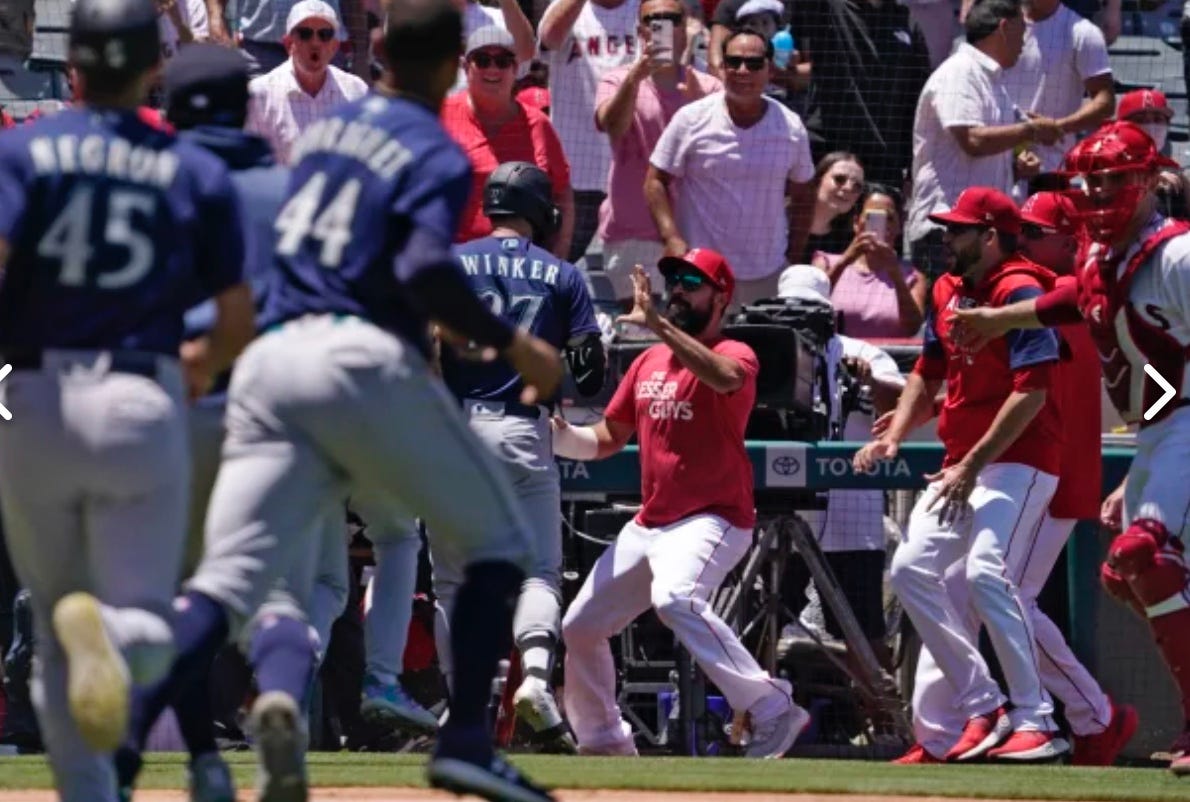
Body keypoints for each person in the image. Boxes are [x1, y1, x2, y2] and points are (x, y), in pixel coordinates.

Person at [126, 1, 567, 800]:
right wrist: (515, 343)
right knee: (502, 542)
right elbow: (430, 270)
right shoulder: (428, 145)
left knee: (238, 579)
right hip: (358, 361)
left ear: (381, 57)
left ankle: (127, 720)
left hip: (272, 363)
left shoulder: (325, 137)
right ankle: (464, 740)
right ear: (448, 70)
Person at [0, 0, 254, 797]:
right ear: (154, 69)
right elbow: (238, 317)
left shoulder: (24, 149)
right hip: (140, 390)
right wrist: (197, 365)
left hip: (33, 393)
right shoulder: (192, 165)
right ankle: (117, 637)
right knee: (146, 613)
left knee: (51, 625)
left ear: (71, 67)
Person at [950, 121, 1190, 776]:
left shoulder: (1177, 254)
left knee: (1145, 555)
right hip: (1163, 427)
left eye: (1115, 179)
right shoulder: (1097, 258)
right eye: (1093, 181)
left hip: (1185, 422)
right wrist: (998, 320)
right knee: (1124, 573)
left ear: (1148, 182)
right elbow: (1069, 303)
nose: (1102, 191)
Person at [890, 191, 1137, 766]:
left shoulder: (1094, 304)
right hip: (1010, 461)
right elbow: (958, 375)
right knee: (958, 590)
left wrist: (1143, 422)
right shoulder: (1026, 300)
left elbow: (1161, 385)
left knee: (997, 593)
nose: (1023, 239)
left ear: (1069, 241)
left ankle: (1087, 715)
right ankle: (958, 729)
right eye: (1018, 229)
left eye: (1035, 231)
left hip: (1061, 470)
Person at [106, 43, 289, 801]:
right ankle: (270, 694)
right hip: (267, 406)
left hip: (163, 400)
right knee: (267, 589)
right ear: (245, 105)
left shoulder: (143, 184)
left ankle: (196, 760)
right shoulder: (289, 187)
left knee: (173, 591)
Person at [554, 248, 809, 758]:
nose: (678, 290)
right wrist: (556, 435)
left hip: (713, 518)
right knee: (579, 627)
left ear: (721, 296)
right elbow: (607, 437)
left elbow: (724, 378)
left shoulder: (738, 352)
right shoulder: (648, 360)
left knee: (676, 600)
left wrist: (658, 326)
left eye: (692, 282)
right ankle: (604, 741)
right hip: (652, 524)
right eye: (674, 280)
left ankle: (772, 705)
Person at [857, 187, 1071, 762]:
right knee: (910, 568)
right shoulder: (949, 289)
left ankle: (1038, 719)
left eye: (958, 230)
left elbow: (1033, 394)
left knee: (985, 574)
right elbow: (928, 373)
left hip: (1019, 462)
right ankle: (983, 704)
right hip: (963, 464)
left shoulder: (1019, 291)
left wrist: (973, 463)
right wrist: (898, 433)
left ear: (990, 236)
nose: (946, 238)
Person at [428, 161, 605, 750]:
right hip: (524, 431)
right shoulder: (562, 275)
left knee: (454, 580)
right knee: (537, 572)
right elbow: (589, 370)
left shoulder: (452, 262)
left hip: (455, 435)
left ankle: (464, 708)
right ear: (540, 211)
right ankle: (533, 677)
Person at [645, 27, 815, 304]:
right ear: (722, 67)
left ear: (770, 69)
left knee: (757, 349)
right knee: (695, 348)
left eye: (754, 63)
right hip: (699, 273)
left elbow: (805, 194)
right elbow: (655, 180)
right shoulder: (691, 119)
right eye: (734, 62)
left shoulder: (791, 127)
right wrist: (671, 237)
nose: (743, 70)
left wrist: (792, 257)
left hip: (767, 274)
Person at [904, 0, 1061, 278]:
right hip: (945, 231)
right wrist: (1032, 130)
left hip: (977, 232)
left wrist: (1015, 167)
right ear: (1004, 27)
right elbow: (972, 141)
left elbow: (980, 152)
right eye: (1022, 31)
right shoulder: (960, 72)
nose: (1025, 43)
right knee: (945, 318)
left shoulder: (992, 82)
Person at [595, 0, 721, 307]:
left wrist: (700, 107)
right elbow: (612, 126)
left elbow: (719, 162)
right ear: (640, 32)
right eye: (653, 20)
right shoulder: (617, 79)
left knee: (691, 336)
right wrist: (635, 79)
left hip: (694, 234)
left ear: (684, 28)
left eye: (671, 19)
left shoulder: (709, 87)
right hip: (631, 234)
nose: (662, 26)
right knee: (639, 339)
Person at [441, 26, 575, 257]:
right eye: (482, 60)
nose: (493, 69)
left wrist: (558, 255)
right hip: (454, 261)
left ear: (515, 69)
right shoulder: (440, 116)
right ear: (465, 67)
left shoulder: (538, 124)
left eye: (502, 61)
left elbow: (562, 193)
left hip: (521, 264)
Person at [538, 0, 642, 264]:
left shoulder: (647, 8)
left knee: (630, 277)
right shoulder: (568, 8)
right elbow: (548, 39)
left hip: (632, 172)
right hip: (575, 174)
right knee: (559, 265)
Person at [244, 0, 369, 164]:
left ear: (334, 46)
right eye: (305, 34)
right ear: (289, 44)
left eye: (325, 35)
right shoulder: (261, 94)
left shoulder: (356, 90)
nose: (315, 43)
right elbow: (253, 160)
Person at [1001, 0, 1114, 178]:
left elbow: (1105, 101)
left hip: (1049, 169)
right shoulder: (999, 26)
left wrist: (1059, 127)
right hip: (995, 162)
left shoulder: (1084, 33)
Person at [812, 185, 926, 338]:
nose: (883, 226)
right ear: (856, 222)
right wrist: (845, 261)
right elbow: (810, 307)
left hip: (889, 359)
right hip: (837, 358)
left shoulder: (913, 277)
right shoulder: (825, 263)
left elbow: (912, 327)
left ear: (900, 226)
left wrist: (896, 277)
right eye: (872, 217)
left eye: (890, 219)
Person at [1115, 89, 1189, 221]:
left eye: (1157, 119)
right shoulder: (1104, 164)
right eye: (1140, 119)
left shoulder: (1173, 171)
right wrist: (1149, 183)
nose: (1151, 126)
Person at [803, 152, 865, 261]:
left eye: (857, 186)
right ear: (818, 179)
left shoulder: (849, 241)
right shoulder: (780, 221)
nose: (848, 188)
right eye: (840, 179)